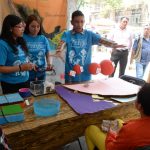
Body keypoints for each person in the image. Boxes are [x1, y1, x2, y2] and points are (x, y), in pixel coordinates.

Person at [56, 10, 125, 83]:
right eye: (76, 22)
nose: (79, 24)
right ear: (72, 22)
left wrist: (113, 45)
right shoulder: (67, 34)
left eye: (82, 22)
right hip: (70, 75)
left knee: (84, 93)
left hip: (85, 75)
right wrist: (59, 50)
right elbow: (62, 43)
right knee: (69, 93)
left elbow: (101, 40)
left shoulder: (89, 34)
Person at [85, 83, 150, 150]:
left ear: (139, 106)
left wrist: (111, 132)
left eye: (137, 98)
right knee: (118, 122)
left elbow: (111, 148)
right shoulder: (130, 128)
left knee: (90, 129)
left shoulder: (130, 130)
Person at [0, 14, 35, 94]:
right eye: (19, 27)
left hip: (25, 81)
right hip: (11, 84)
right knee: (14, 106)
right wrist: (20, 67)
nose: (22, 29)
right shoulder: (2, 44)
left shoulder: (20, 41)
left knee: (26, 105)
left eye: (23, 26)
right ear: (10, 28)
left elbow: (22, 59)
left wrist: (29, 65)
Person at [24, 14, 52, 81]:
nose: (36, 29)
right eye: (33, 26)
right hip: (27, 73)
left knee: (41, 91)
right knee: (28, 91)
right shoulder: (22, 38)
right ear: (28, 26)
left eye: (38, 26)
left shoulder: (43, 39)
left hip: (41, 72)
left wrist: (49, 63)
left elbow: (48, 54)